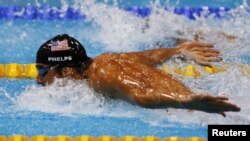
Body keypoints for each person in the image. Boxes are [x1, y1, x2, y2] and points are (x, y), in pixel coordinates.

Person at [36, 34, 240, 116]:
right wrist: (180, 51)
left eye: (43, 70)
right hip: (201, 103)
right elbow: (149, 55)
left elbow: (141, 95)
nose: (39, 79)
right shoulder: (107, 59)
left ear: (67, 70)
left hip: (198, 111)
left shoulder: (101, 78)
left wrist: (186, 102)